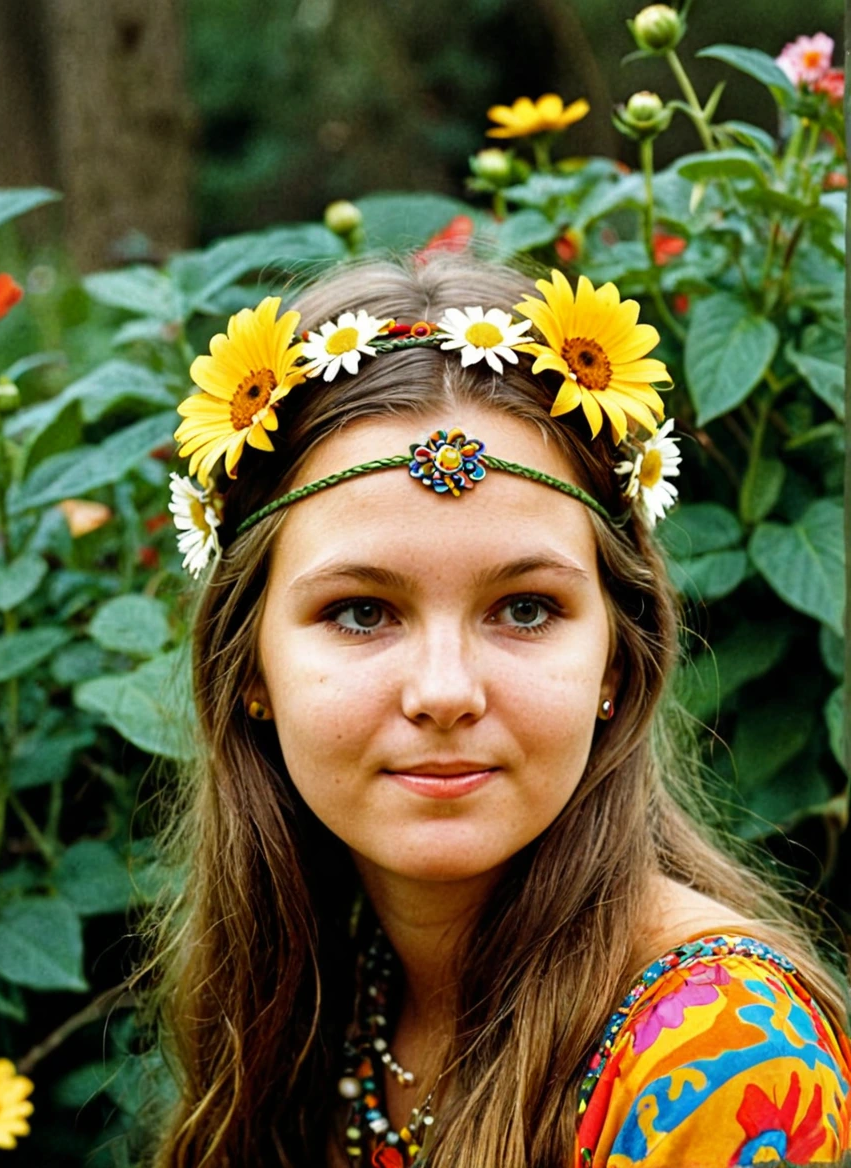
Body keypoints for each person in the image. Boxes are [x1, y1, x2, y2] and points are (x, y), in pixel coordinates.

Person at [142, 255, 851, 1167]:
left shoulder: (720, 1049)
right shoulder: (328, 995)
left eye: (525, 608)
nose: (444, 691)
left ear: (616, 661)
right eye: (361, 612)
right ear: (252, 671)